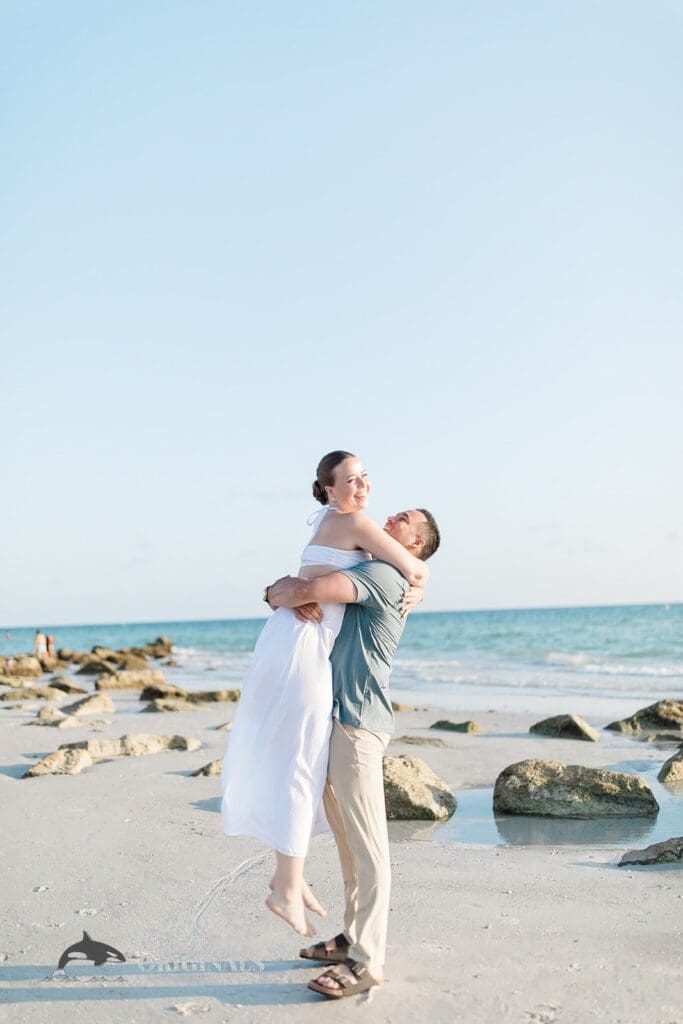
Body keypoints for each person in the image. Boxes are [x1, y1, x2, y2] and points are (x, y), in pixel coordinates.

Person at [221, 452, 428, 938]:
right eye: (350, 480)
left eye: (365, 477)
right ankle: (286, 888)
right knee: (300, 761)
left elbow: (398, 568)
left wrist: (279, 591)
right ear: (330, 490)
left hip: (294, 641)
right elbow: (413, 569)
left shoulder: (337, 520)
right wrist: (419, 586)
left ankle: (287, 876)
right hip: (302, 647)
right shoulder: (353, 520)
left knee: (304, 760)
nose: (362, 486)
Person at [264, 507, 441, 999]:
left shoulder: (384, 573)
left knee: (368, 848)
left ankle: (368, 960)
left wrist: (273, 592)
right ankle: (352, 936)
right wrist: (278, 593)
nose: (390, 517)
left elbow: (302, 591)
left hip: (359, 726)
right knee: (347, 842)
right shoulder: (377, 565)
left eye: (404, 519)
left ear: (417, 543)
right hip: (337, 720)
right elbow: (301, 590)